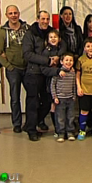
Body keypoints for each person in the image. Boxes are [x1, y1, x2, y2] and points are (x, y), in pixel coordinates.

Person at [22, 11, 67, 141]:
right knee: (33, 102)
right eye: (43, 19)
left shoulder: (52, 32)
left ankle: (33, 122)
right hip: (33, 73)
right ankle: (31, 130)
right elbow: (28, 54)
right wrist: (47, 61)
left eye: (47, 19)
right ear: (37, 19)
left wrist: (59, 56)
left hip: (47, 74)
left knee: (47, 102)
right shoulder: (30, 34)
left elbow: (62, 44)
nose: (45, 21)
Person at [0, 5, 30, 133]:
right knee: (15, 97)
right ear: (6, 15)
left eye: (15, 13)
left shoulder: (28, 29)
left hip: (28, 68)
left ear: (19, 13)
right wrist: (8, 66)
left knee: (32, 96)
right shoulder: (2, 33)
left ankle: (32, 121)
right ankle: (17, 123)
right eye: (11, 13)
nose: (14, 15)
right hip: (13, 69)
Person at [40, 29, 66, 135]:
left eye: (55, 37)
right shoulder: (46, 52)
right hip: (51, 81)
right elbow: (44, 70)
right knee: (54, 104)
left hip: (63, 82)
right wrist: (57, 71)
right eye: (51, 37)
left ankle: (64, 127)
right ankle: (57, 128)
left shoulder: (62, 50)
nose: (53, 39)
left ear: (59, 39)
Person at [51, 53, 77, 142]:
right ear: (62, 62)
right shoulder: (58, 72)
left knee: (70, 116)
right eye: (66, 60)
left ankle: (70, 132)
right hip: (60, 98)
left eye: (71, 60)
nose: (69, 62)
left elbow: (74, 85)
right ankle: (61, 133)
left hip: (70, 98)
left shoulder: (73, 73)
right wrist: (55, 97)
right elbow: (52, 85)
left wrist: (74, 96)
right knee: (60, 117)